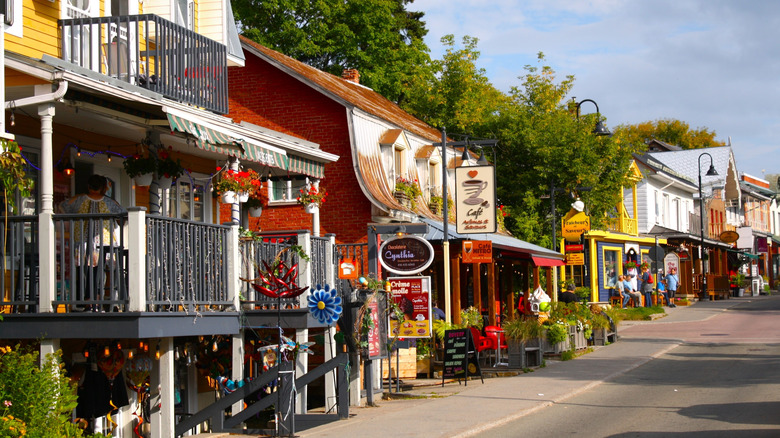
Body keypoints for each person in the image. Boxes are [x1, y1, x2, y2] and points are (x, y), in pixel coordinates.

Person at [59, 175, 126, 311]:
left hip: (82, 242)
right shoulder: (109, 202)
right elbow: (123, 215)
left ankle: (84, 302)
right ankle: (97, 301)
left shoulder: (80, 199)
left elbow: (63, 207)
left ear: (89, 186)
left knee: (83, 272)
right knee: (99, 272)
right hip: (104, 244)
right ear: (102, 188)